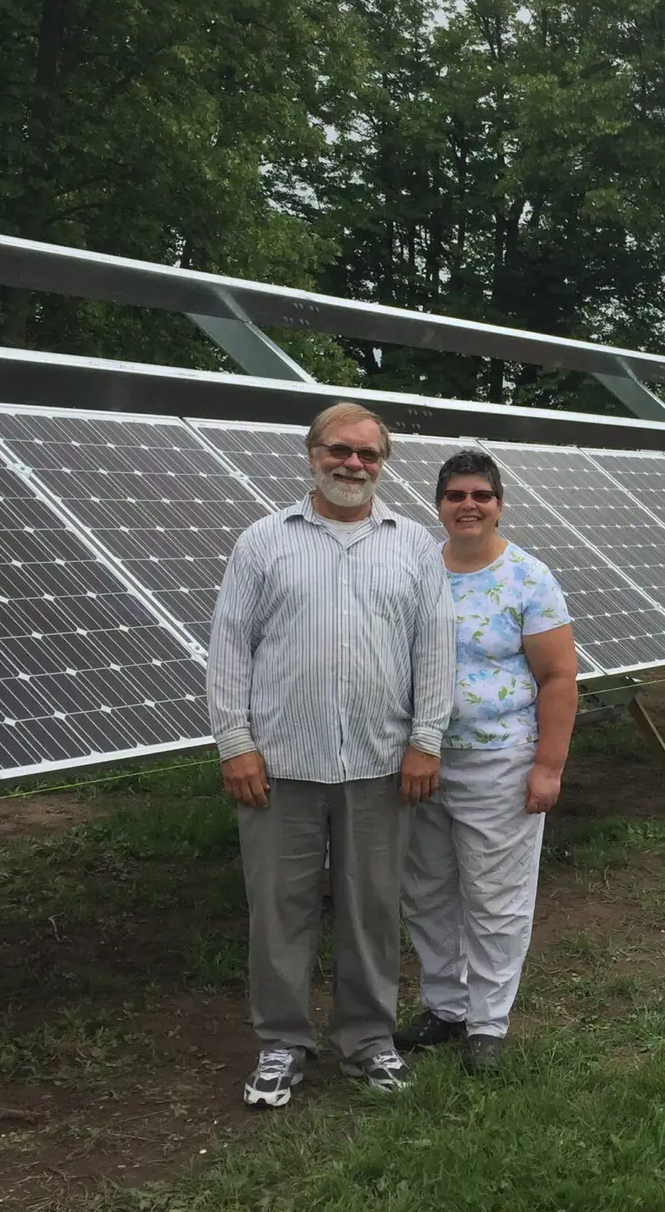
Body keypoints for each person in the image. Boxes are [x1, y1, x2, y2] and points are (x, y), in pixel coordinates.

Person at [206, 402, 456, 1107]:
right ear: (311, 453)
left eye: (369, 455)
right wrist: (235, 744)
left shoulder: (412, 547)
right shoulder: (263, 541)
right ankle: (283, 1041)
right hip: (280, 765)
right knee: (279, 909)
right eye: (340, 450)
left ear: (384, 463)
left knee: (373, 908)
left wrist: (425, 741)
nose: (354, 464)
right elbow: (230, 647)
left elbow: (435, 652)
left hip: (382, 765)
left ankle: (367, 1041)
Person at [396, 449, 578, 1073]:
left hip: (498, 761)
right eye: (455, 496)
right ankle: (446, 1008)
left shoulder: (528, 578)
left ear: (499, 503)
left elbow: (558, 677)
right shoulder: (416, 568)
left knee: (496, 896)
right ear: (438, 504)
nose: (468, 505)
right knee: (427, 890)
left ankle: (488, 1024)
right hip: (420, 760)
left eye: (481, 495)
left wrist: (548, 768)